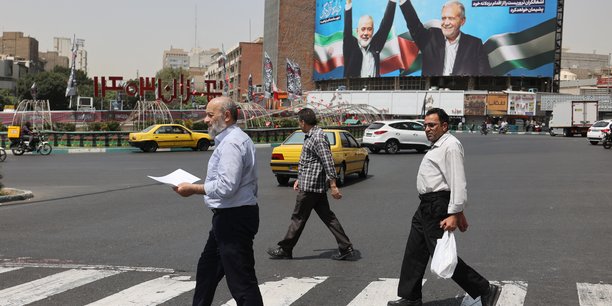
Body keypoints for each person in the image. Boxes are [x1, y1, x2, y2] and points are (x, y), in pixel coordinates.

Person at [388, 108, 500, 306]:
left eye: (432, 125)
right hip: (426, 205)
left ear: (444, 126)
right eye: (425, 125)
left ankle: (484, 289)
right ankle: (411, 297)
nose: (427, 129)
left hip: (437, 206)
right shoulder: (439, 145)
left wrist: (455, 213)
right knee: (414, 251)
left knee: (443, 253)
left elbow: (457, 180)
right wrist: (460, 213)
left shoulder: (451, 146)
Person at [173, 96, 263, 306]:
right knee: (207, 271)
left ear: (227, 116)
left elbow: (226, 187)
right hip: (228, 218)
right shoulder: (233, 139)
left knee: (242, 282)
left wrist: (193, 189)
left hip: (234, 219)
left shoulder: (231, 143)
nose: (205, 120)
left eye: (210, 115)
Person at [267, 108, 354, 260]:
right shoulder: (312, 135)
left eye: (299, 122)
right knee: (328, 217)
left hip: (311, 188)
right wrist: (300, 179)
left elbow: (327, 161)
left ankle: (286, 249)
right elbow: (311, 162)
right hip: (313, 185)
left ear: (303, 122)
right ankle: (345, 247)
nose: (298, 124)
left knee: (298, 217)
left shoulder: (317, 137)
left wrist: (333, 185)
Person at [399, 0, 491, 76]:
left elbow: (484, 77)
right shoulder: (430, 37)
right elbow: (414, 25)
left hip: (461, 94)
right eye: (443, 18)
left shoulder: (475, 44)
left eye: (451, 18)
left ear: (462, 21)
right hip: (433, 95)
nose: (446, 23)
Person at [343, 0, 396, 78]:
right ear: (357, 31)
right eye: (363, 29)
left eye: (369, 29)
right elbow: (347, 30)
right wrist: (348, 4)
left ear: (373, 31)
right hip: (354, 89)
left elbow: (386, 25)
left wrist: (392, 1)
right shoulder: (351, 46)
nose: (366, 33)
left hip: (373, 88)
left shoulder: (376, 45)